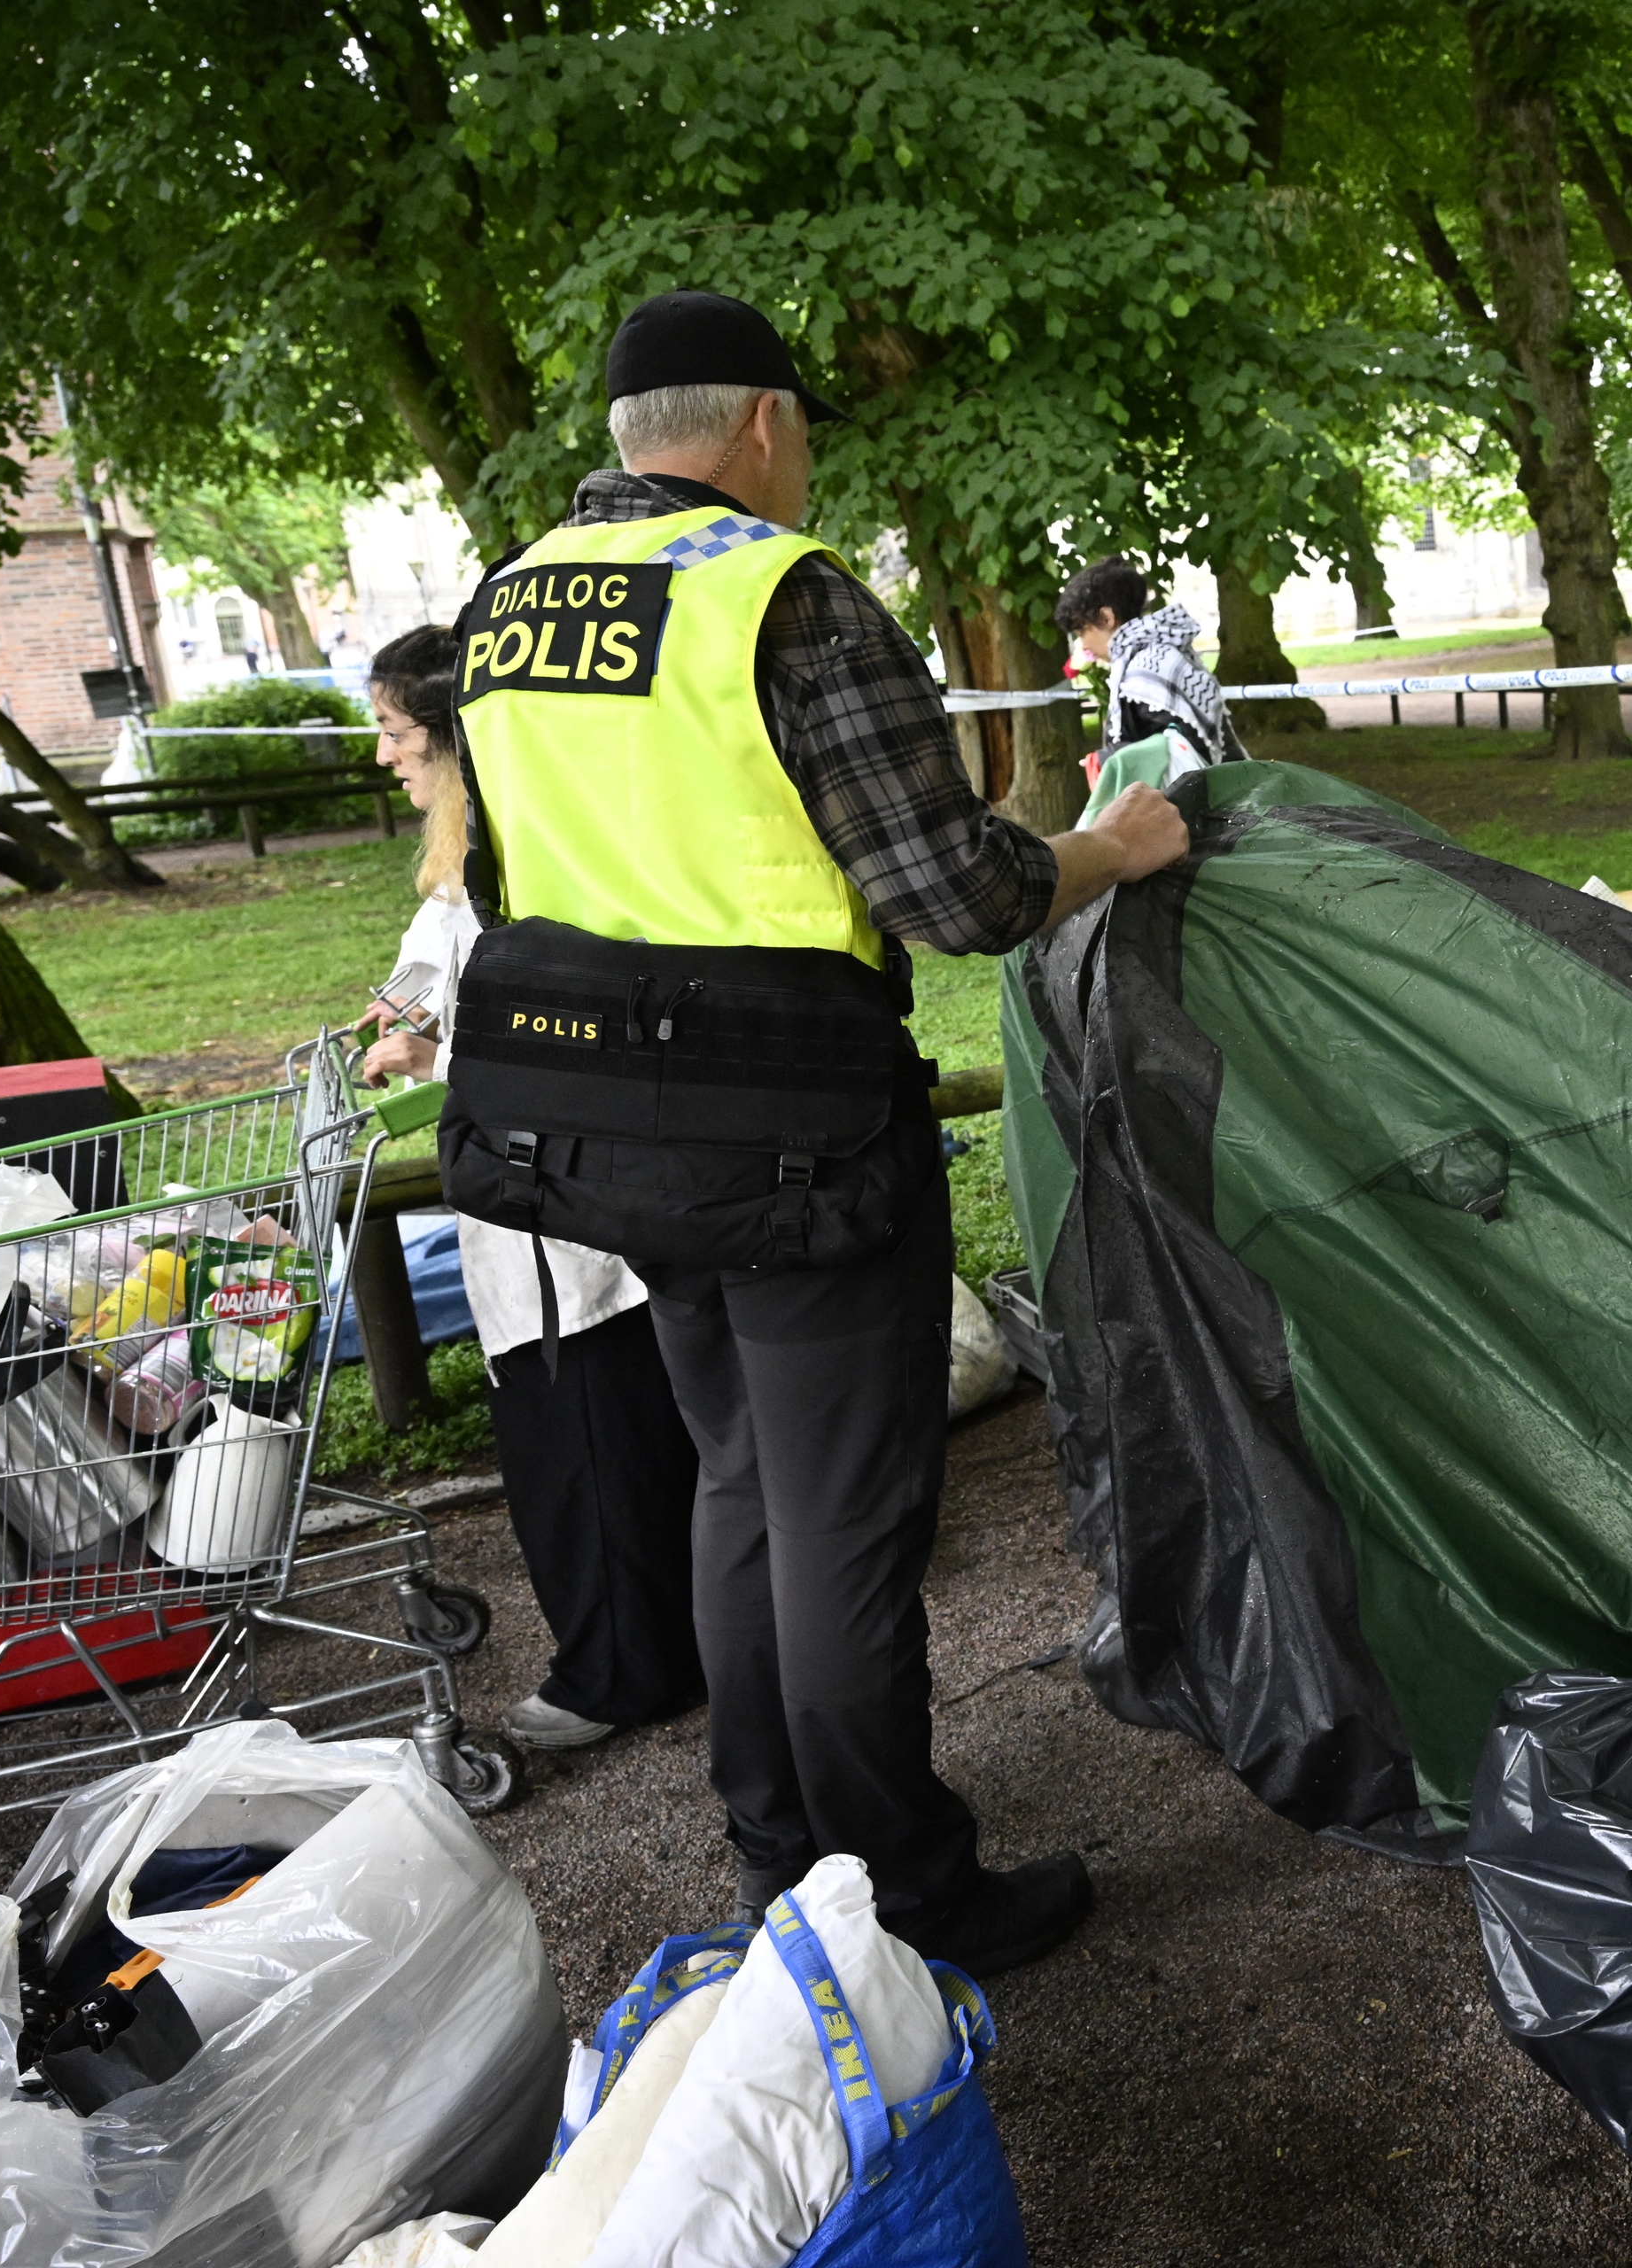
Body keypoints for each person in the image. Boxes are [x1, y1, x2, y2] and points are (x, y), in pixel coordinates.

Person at [448, 289, 1189, 1977]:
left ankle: (779, 1851)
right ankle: (908, 1896)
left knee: (741, 1478)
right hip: (796, 1130)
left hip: (606, 1130)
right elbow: (957, 893)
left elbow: (516, 873)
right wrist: (1113, 847)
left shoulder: (504, 610)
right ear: (767, 427)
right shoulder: (784, 596)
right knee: (848, 1516)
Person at [353, 625, 705, 1752]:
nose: (382, 756)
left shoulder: (529, 859)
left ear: (456, 742)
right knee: (593, 1449)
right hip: (532, 1225)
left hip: (567, 1233)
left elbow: (562, 1035)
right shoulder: (467, 861)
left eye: (397, 734)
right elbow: (429, 959)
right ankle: (647, 1652)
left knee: (597, 1454)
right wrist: (403, 1014)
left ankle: (623, 1672)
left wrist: (436, 1052)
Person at [1054, 555, 1247, 773]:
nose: (1083, 644)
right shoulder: (1158, 654)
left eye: (1082, 632)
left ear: (1107, 618)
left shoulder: (1145, 667)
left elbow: (1177, 750)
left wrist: (1107, 759)